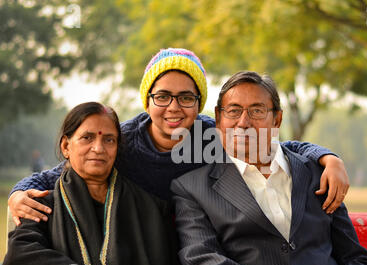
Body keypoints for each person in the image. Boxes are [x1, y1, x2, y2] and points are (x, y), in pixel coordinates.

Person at [8, 48, 348, 225]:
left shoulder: (209, 135)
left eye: (186, 97)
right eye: (163, 96)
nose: (174, 107)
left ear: (198, 103)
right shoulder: (123, 141)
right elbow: (61, 172)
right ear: (148, 100)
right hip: (139, 253)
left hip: (198, 253)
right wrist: (19, 192)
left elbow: (280, 146)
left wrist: (327, 157)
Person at [171, 71, 367, 265]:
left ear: (276, 119)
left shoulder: (318, 174)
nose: (243, 122)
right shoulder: (192, 188)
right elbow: (200, 255)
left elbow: (357, 259)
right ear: (219, 119)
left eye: (257, 111)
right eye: (233, 111)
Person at [2, 102, 194, 265]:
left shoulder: (153, 209)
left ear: (117, 149)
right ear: (66, 146)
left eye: (109, 140)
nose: (98, 148)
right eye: (87, 138)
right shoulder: (44, 206)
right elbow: (21, 253)